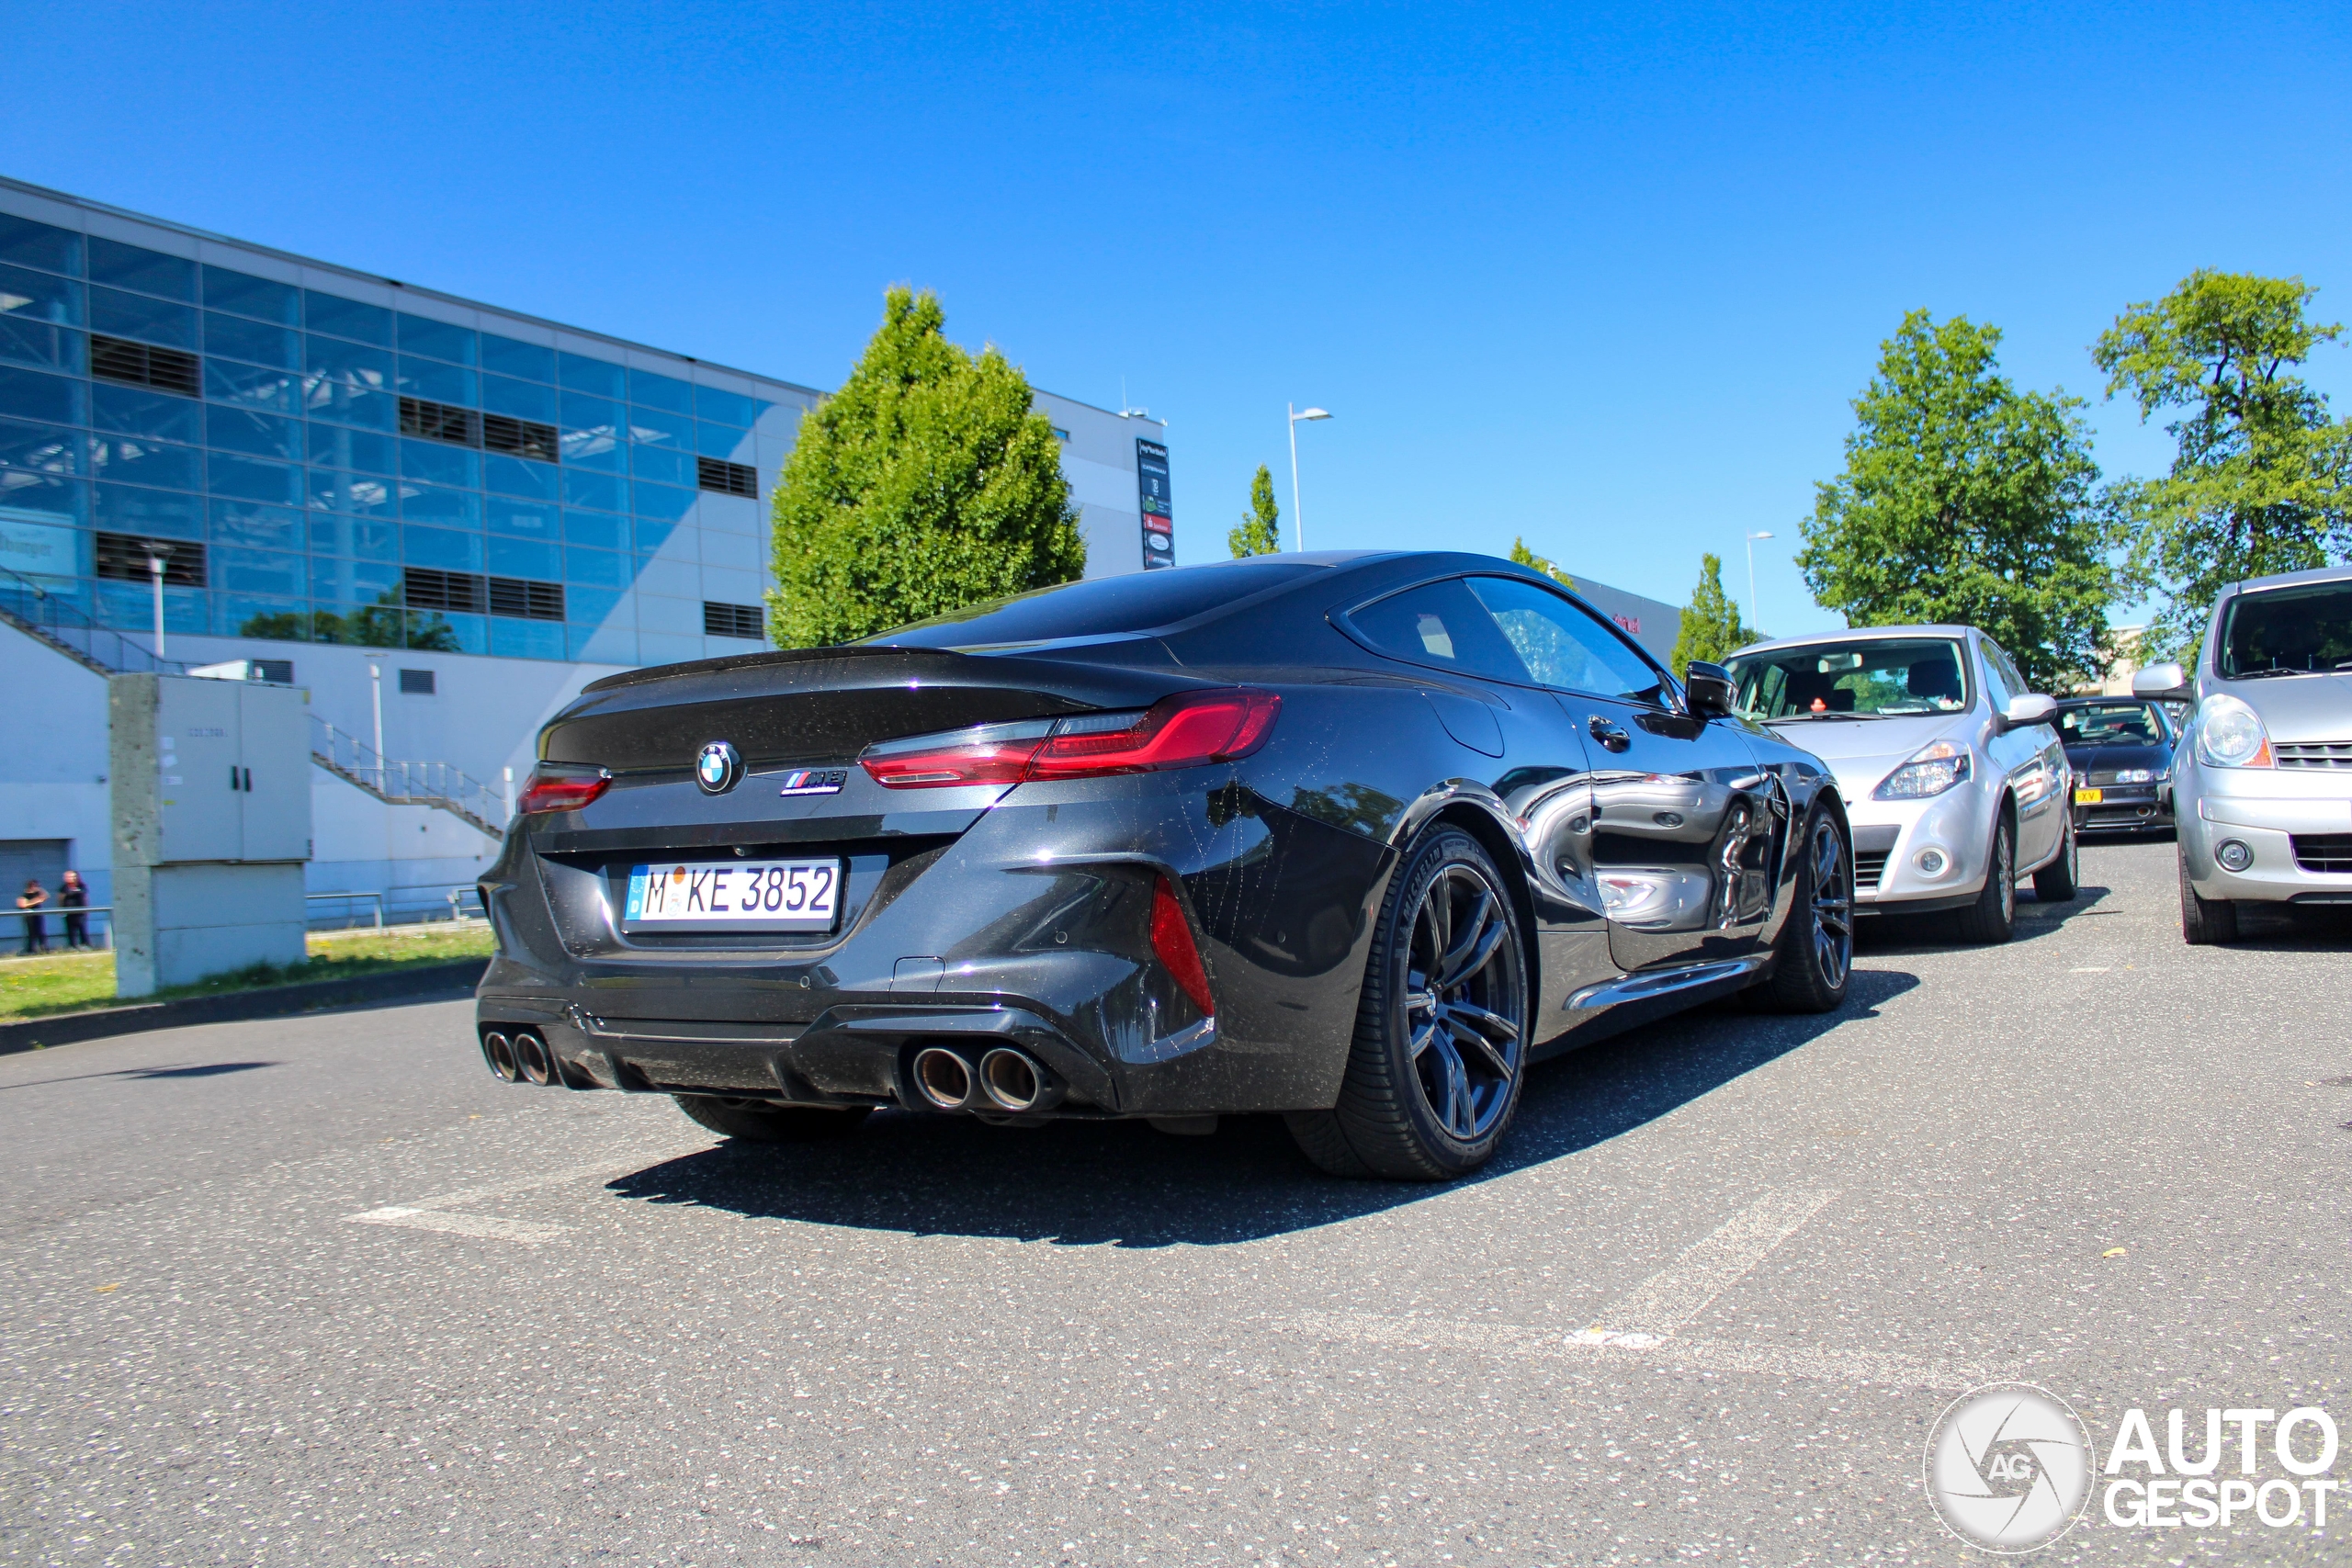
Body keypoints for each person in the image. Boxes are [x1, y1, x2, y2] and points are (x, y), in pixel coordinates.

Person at [15, 878, 48, 956]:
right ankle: (31, 949)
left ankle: (43, 948)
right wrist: (36, 901)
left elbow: (45, 896)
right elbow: (22, 905)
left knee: (41, 932)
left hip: (38, 916)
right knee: (31, 934)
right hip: (29, 917)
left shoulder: (38, 894)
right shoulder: (24, 895)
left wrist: (40, 890)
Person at [58, 870, 90, 950]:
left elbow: (85, 898)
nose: (70, 878)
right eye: (68, 877)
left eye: (72, 876)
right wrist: (61, 909)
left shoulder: (81, 886)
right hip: (69, 912)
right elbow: (60, 898)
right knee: (71, 930)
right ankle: (72, 946)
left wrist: (86, 909)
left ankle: (85, 944)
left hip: (80, 912)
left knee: (82, 928)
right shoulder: (64, 888)